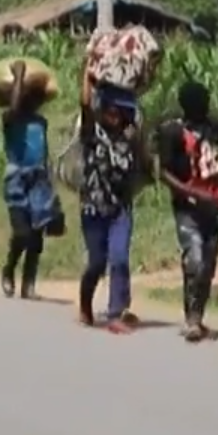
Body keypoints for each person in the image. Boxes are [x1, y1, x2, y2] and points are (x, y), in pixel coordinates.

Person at [158, 80, 218, 342]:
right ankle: (191, 319)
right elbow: (163, 172)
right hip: (188, 205)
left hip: (215, 204)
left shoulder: (214, 127)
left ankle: (198, 313)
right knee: (193, 258)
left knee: (207, 264)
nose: (202, 106)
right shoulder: (172, 132)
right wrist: (191, 192)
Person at [77, 72, 149, 332]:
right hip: (93, 208)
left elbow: (144, 167)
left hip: (120, 209)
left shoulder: (129, 139)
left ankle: (116, 312)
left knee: (119, 258)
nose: (115, 116)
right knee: (96, 262)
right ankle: (85, 303)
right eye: (110, 110)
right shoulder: (91, 134)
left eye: (120, 112)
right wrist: (88, 75)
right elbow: (84, 105)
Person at [0, 62, 55, 298]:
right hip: (16, 182)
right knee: (21, 232)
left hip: (39, 182)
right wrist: (19, 76)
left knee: (36, 238)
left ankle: (29, 282)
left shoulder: (41, 122)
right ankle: (9, 269)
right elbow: (14, 105)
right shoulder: (10, 118)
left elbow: (44, 151)